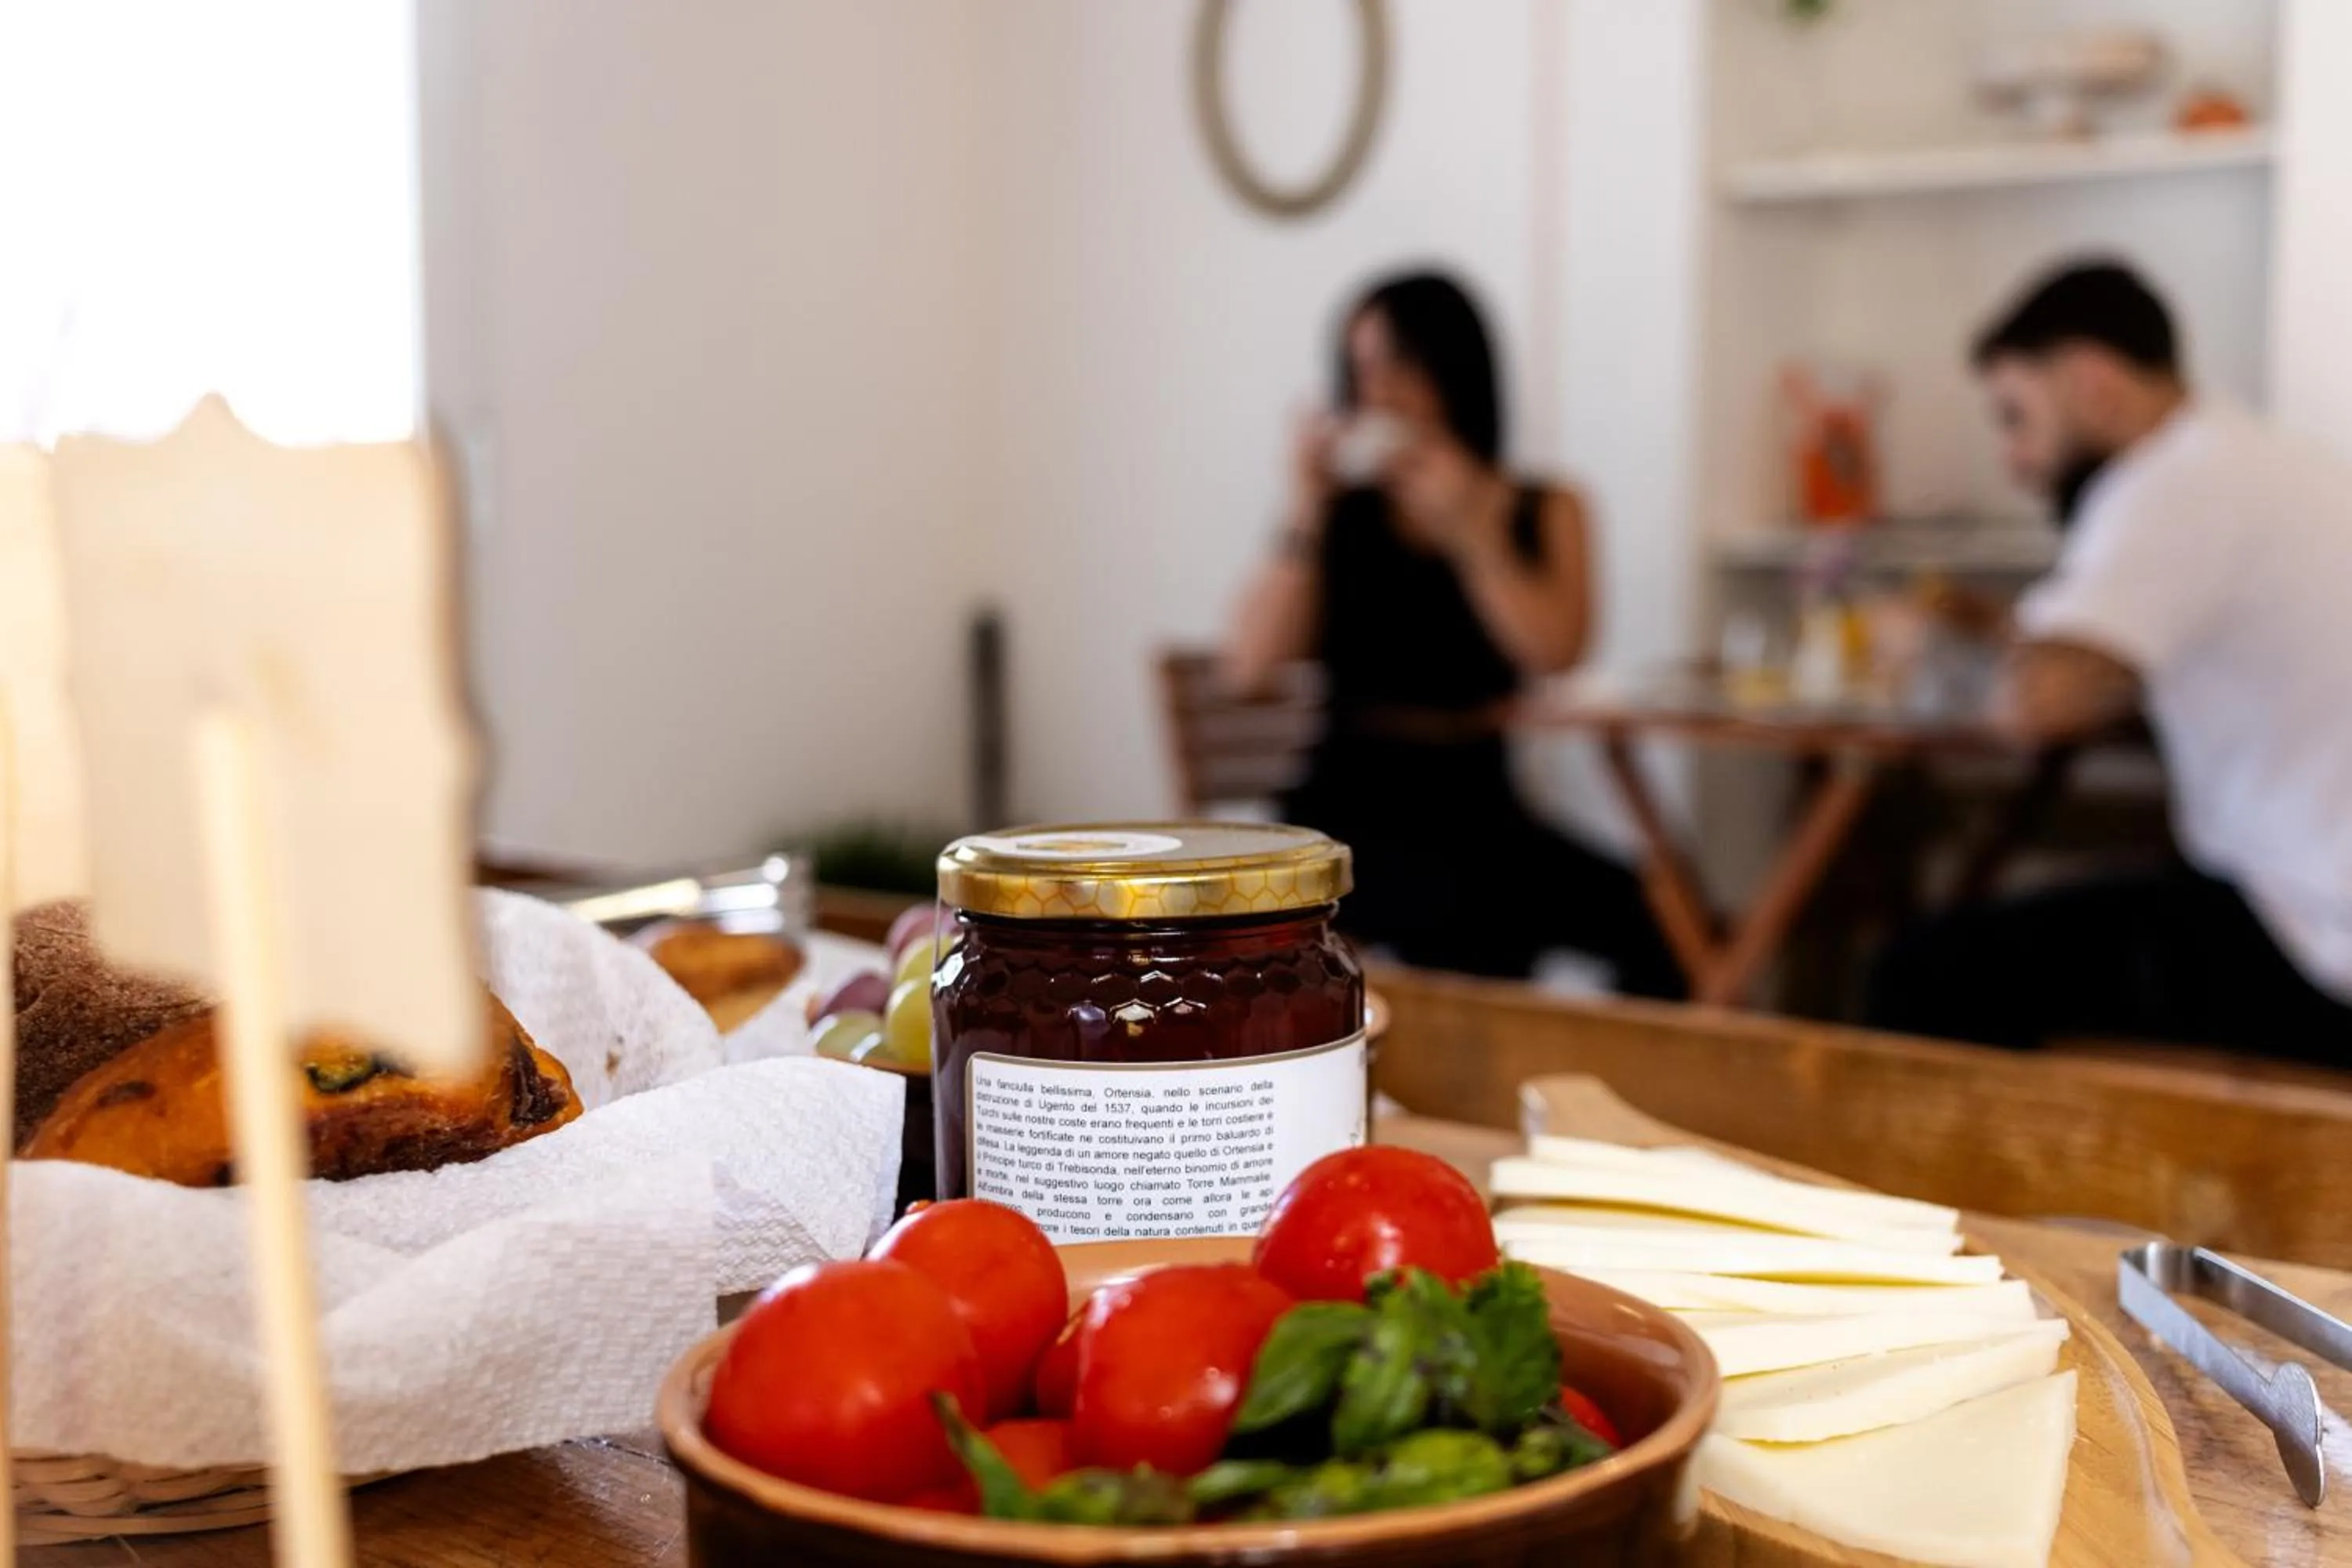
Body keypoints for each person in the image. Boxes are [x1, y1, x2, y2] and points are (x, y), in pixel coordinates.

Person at [1868, 260, 2352, 1056]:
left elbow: (2035, 708)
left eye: (2017, 416)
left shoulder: (2169, 486)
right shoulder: (2253, 461)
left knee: (1918, 975)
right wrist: (1997, 630)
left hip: (2312, 935)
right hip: (2314, 901)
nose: (2013, 458)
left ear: (2093, 380)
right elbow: (2114, 654)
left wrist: (1931, 649)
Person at [1223, 270, 1682, 993]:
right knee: (1476, 914)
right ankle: (1464, 1094)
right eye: (1361, 370)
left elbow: (1555, 651)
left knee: (1662, 915)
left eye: (1398, 366)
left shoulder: (1544, 506)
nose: (1379, 393)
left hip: (1481, 800)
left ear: (1453, 367)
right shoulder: (1340, 512)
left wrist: (1472, 533)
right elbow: (1248, 665)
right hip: (1352, 805)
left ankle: (1622, 1097)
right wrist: (1304, 507)